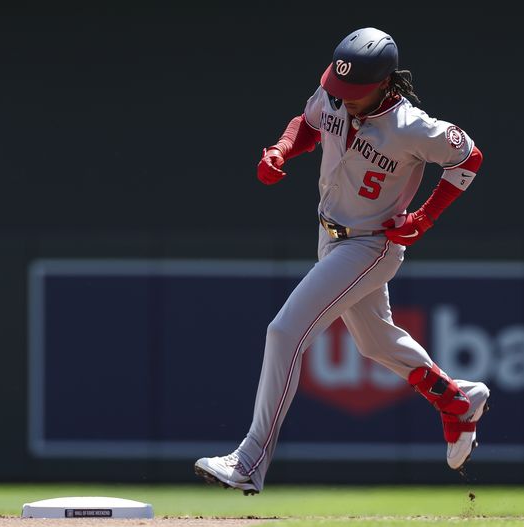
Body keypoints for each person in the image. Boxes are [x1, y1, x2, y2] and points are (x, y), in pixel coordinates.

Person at [195, 27, 489, 495]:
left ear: (387, 83)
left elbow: (468, 158)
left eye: (356, 91)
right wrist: (281, 149)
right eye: (340, 87)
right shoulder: (335, 94)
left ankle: (250, 460)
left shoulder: (413, 127)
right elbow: (309, 123)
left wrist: (425, 218)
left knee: (284, 331)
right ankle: (456, 401)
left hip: (372, 245)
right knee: (375, 343)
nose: (343, 98)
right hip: (329, 234)